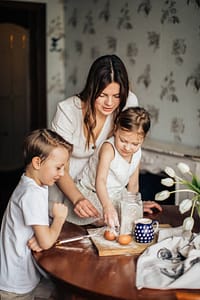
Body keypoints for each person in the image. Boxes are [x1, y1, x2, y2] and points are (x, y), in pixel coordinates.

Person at [49, 54, 161, 223]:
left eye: (116, 96)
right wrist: (78, 199)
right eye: (102, 95)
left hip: (104, 198)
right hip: (65, 193)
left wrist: (131, 203)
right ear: (92, 89)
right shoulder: (67, 111)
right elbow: (57, 165)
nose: (110, 103)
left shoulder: (127, 101)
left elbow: (132, 151)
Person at [0, 129, 72, 300]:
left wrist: (42, 233)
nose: (62, 174)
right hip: (15, 286)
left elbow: (35, 213)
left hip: (22, 276)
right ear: (38, 163)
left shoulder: (32, 183)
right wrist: (59, 218)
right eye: (58, 167)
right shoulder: (31, 193)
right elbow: (46, 242)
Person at [68, 107, 162, 227]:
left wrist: (132, 206)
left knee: (132, 215)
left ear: (144, 138)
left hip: (116, 194)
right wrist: (107, 207)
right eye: (123, 140)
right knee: (108, 217)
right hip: (94, 193)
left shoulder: (137, 153)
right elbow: (100, 181)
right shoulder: (108, 149)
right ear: (115, 129)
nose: (128, 148)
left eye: (135, 144)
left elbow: (133, 185)